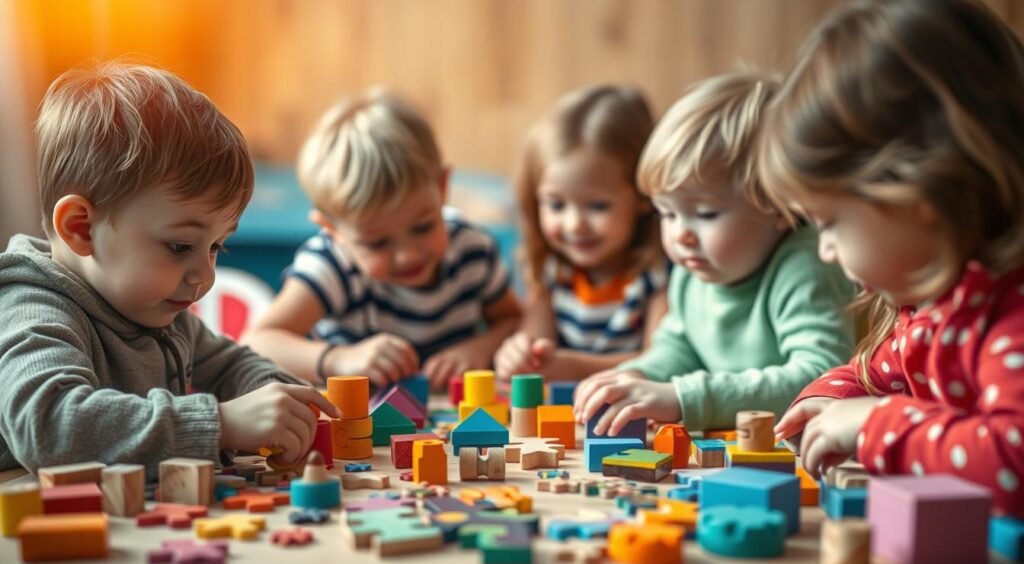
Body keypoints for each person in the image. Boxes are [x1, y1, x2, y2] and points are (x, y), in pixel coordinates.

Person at [0, 62, 338, 477]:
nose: (204, 276)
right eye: (180, 247)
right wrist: (223, 423)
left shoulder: (158, 312)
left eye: (216, 247)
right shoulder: (32, 311)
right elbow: (49, 425)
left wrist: (278, 398)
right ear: (80, 228)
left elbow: (233, 365)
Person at [763, 0, 1024, 516]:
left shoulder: (1010, 316)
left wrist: (873, 422)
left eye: (829, 222)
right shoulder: (931, 310)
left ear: (919, 194)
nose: (824, 250)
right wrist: (826, 401)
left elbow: (1011, 462)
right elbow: (870, 377)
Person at [574, 70, 855, 435]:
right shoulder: (694, 270)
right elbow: (679, 347)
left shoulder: (806, 266)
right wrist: (637, 376)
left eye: (705, 214)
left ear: (779, 205)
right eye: (667, 213)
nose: (681, 235)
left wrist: (683, 398)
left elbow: (821, 376)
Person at [243, 92, 521, 391]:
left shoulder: (471, 248)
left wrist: (481, 348)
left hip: (451, 414)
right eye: (377, 243)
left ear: (442, 188)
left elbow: (513, 320)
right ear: (332, 230)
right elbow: (257, 344)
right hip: (359, 415)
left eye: (423, 227)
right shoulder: (331, 265)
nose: (407, 255)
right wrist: (338, 359)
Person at [495, 85, 669, 381]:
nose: (574, 224)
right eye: (556, 204)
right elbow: (532, 344)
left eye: (598, 206)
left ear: (644, 195)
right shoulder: (552, 270)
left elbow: (662, 363)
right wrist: (516, 355)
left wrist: (576, 367)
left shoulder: (656, 276)